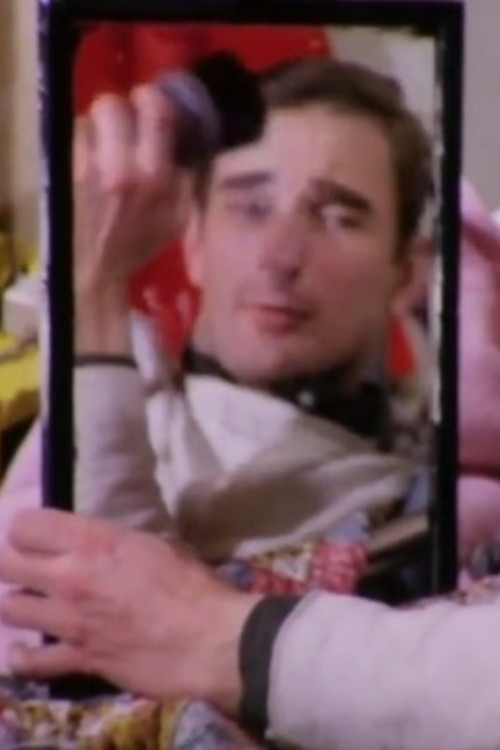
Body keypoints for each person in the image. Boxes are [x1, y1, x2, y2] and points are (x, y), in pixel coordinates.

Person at [1, 58, 500, 748]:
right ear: (194, 242)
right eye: (250, 206)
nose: (280, 256)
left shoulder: (423, 511)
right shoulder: (80, 405)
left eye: (338, 216)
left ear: (404, 273)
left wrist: (94, 303)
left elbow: (126, 633)